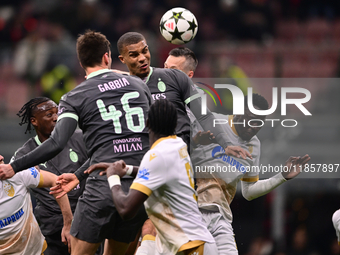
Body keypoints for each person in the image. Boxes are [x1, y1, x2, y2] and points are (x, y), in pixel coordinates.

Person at [0, 30, 152, 255]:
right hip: (141, 186)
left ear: (81, 63)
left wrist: (14, 166)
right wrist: (79, 174)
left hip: (103, 187)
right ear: (107, 57)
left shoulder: (75, 96)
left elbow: (56, 143)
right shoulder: (139, 85)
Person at [163, 48, 310, 255]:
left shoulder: (254, 145)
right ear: (239, 111)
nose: (253, 126)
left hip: (221, 216)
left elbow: (249, 192)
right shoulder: (211, 122)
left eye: (259, 122)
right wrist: (196, 141)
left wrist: (282, 177)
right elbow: (177, 149)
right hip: (192, 210)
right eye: (250, 119)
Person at [83, 99, 219, 255]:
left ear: (147, 123)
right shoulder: (177, 144)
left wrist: (113, 178)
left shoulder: (156, 155)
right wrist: (125, 170)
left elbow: (126, 209)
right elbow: (157, 172)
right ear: (175, 125)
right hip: (194, 242)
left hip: (192, 246)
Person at [116, 32, 250, 159]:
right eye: (134, 55)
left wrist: (226, 144)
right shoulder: (121, 88)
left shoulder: (175, 77)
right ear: (122, 59)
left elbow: (204, 115)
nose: (142, 58)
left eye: (145, 51)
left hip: (181, 159)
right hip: (146, 160)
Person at [10, 97, 88, 255]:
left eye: (58, 112)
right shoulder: (24, 155)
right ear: (34, 121)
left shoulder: (80, 138)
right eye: (49, 114)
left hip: (85, 216)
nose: (56, 117)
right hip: (52, 227)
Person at [0, 155, 72, 255]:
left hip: (36, 251)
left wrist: (68, 224)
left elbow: (55, 181)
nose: (1, 157)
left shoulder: (17, 174)